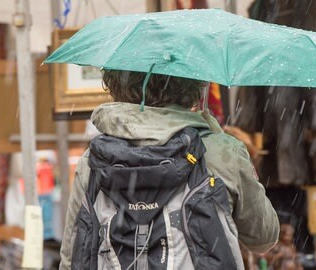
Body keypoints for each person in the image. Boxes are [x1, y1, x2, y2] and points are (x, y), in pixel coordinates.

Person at [59, 70, 280, 269]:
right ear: (192, 86)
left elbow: (72, 257)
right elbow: (263, 237)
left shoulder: (93, 161)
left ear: (116, 84)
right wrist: (219, 138)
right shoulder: (220, 152)